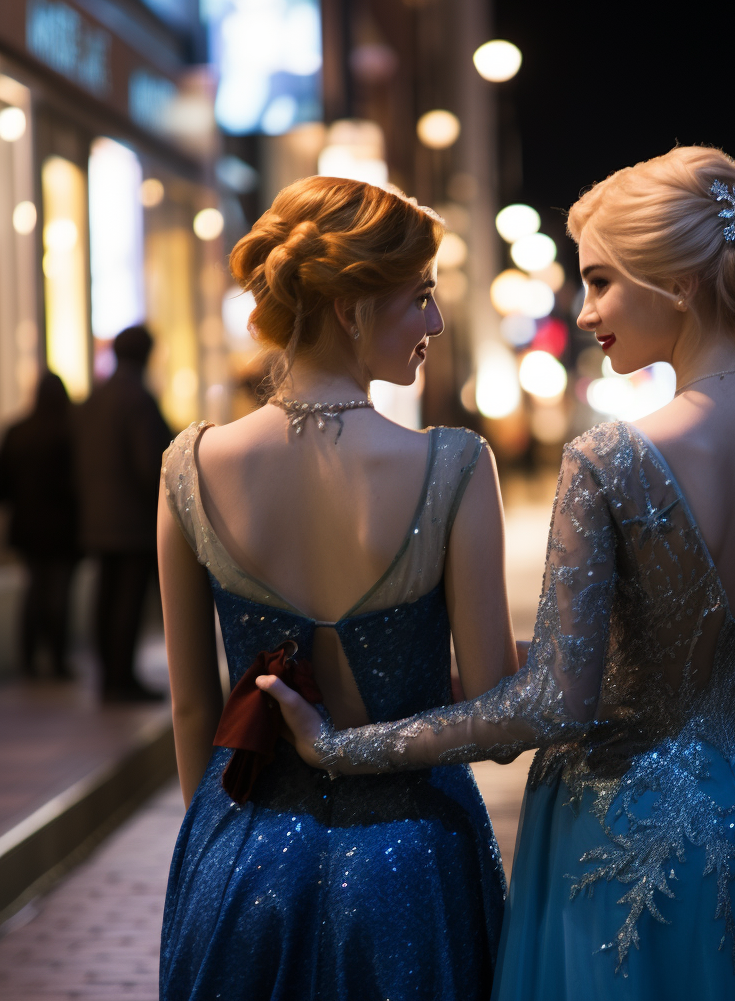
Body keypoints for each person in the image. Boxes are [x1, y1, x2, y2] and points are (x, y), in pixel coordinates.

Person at [264, 148, 735, 1001]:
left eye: (600, 281)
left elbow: (556, 703)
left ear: (678, 282)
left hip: (614, 824)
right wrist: (672, 666)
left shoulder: (614, 459)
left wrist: (343, 747)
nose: (585, 310)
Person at [157, 177, 516, 1000]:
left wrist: (208, 841)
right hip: (415, 857)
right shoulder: (454, 466)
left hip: (239, 852)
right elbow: (492, 705)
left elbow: (191, 708)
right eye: (419, 297)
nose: (433, 323)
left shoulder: (189, 468)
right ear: (353, 307)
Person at [75, 325, 172, 701]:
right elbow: (150, 463)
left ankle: (109, 677)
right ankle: (121, 679)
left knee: (106, 597)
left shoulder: (96, 398)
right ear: (146, 354)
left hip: (97, 516)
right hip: (131, 520)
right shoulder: (137, 399)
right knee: (127, 601)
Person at [0, 372, 79, 679]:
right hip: (61, 527)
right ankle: (57, 661)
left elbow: (3, 485)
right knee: (58, 593)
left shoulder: (16, 431)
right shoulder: (68, 431)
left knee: (33, 590)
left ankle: (28, 661)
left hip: (27, 527)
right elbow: (75, 484)